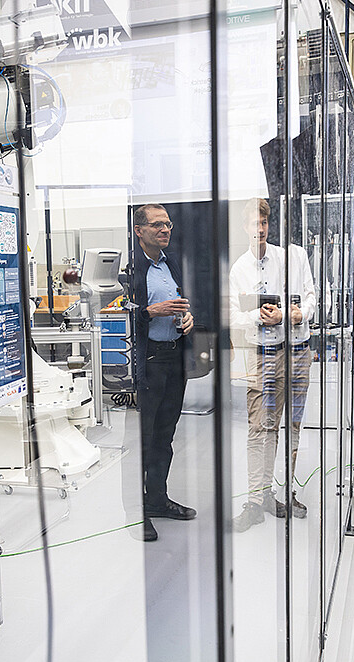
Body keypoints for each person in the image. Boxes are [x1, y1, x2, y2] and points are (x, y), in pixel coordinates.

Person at [229, 198, 316, 532]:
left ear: (269, 225)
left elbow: (311, 297)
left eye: (264, 222)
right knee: (259, 427)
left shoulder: (293, 256)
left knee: (291, 426)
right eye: (254, 223)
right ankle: (255, 498)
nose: (260, 229)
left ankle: (283, 490)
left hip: (296, 352)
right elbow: (235, 316)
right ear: (245, 227)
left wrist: (298, 314)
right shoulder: (239, 269)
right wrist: (259, 317)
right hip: (261, 354)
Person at [131, 204, 197, 542]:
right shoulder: (131, 269)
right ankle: (135, 511)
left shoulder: (170, 265)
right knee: (144, 438)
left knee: (165, 437)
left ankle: (156, 499)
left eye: (167, 224)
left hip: (174, 359)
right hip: (150, 361)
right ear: (139, 230)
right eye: (157, 225)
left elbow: (184, 303)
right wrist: (147, 311)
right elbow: (118, 311)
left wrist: (188, 319)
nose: (165, 230)